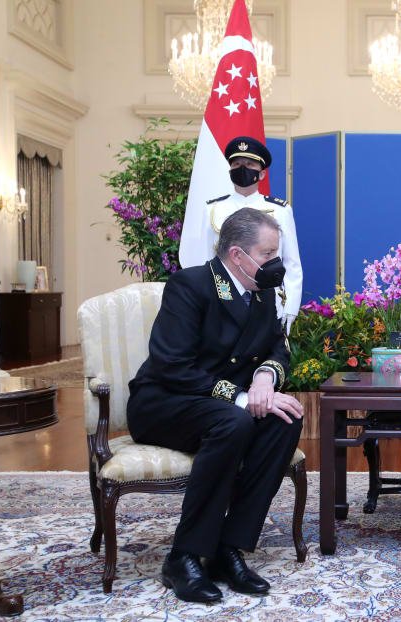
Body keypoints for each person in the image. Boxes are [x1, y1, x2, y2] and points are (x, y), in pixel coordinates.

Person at [127, 208, 304, 603]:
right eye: (268, 253)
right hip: (165, 402)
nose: (276, 263)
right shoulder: (190, 285)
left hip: (218, 407)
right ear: (238, 255)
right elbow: (173, 367)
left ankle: (228, 548)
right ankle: (184, 556)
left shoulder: (261, 292)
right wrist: (241, 397)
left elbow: (278, 345)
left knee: (285, 419)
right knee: (235, 423)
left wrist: (265, 378)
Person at [179, 136, 303, 334]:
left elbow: (291, 263)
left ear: (261, 174)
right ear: (230, 172)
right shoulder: (213, 209)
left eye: (249, 164)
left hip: (268, 297)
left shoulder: (280, 210)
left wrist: (290, 307)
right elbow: (205, 259)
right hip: (223, 298)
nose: (242, 168)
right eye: (236, 164)